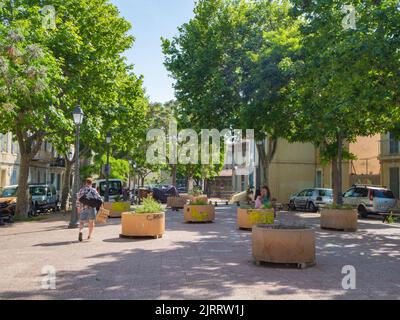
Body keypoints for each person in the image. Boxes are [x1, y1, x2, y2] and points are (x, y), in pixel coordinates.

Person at [77, 178, 101, 242]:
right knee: (91, 222)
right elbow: (99, 198)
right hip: (92, 208)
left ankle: (81, 231)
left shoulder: (81, 190)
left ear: (86, 183)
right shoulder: (93, 190)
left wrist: (78, 207)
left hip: (83, 207)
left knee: (82, 221)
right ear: (91, 183)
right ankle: (89, 235)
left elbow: (78, 199)